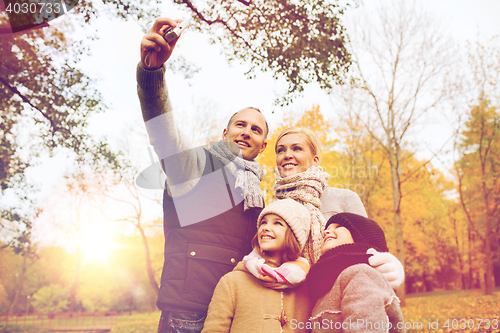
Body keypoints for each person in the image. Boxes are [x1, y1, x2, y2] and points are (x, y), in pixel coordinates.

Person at [137, 18, 269, 332]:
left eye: (256, 129)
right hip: (189, 317)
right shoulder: (196, 164)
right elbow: (163, 130)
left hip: (235, 315)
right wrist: (152, 74)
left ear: (263, 146)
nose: (246, 132)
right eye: (240, 124)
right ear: (225, 132)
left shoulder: (258, 194)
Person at [273, 127, 404, 291]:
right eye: (280, 150)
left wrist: (390, 267)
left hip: (340, 296)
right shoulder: (273, 209)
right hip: (291, 300)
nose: (287, 155)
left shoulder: (344, 198)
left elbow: (371, 247)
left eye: (297, 148)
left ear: (315, 160)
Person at [201, 199, 314, 333]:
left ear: (295, 235)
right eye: (263, 222)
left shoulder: (308, 286)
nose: (265, 227)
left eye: (277, 223)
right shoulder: (232, 282)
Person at [306, 213, 405, 332]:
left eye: (338, 227)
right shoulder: (327, 282)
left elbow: (365, 327)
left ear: (361, 237)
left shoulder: (360, 273)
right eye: (326, 230)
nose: (326, 232)